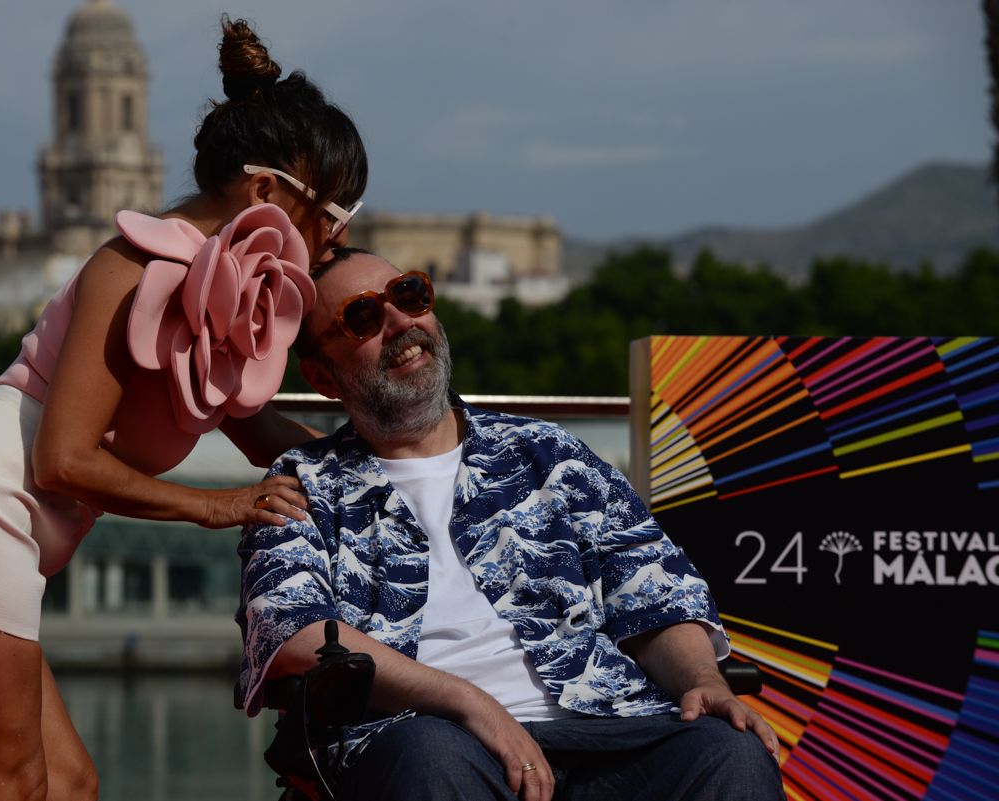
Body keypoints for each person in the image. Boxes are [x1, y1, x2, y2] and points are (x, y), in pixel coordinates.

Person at [0, 17, 366, 801]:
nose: (338, 241)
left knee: (69, 782)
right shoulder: (133, 262)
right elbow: (64, 460)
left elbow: (262, 435)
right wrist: (215, 508)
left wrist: (388, 457)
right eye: (337, 214)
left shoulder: (210, 288)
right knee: (10, 785)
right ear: (265, 192)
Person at [237, 249, 785, 801]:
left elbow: (656, 593)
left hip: (607, 724)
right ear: (322, 376)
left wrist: (702, 682)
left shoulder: (547, 452)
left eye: (409, 296)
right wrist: (472, 703)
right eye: (362, 317)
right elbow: (294, 634)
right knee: (430, 759)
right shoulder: (305, 483)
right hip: (426, 735)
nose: (402, 322)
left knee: (729, 754)